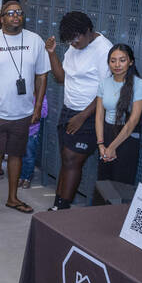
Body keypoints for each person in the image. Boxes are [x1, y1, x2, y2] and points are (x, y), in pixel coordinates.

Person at [0, 0, 48, 218]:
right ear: (1, 18)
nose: (16, 16)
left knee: (16, 156)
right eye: (10, 13)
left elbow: (42, 74)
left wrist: (38, 105)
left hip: (23, 113)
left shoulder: (35, 41)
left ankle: (13, 198)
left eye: (19, 12)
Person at [44, 11, 114, 210]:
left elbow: (106, 90)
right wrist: (51, 54)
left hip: (89, 114)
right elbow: (61, 78)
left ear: (88, 31)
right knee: (67, 159)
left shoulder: (103, 49)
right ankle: (58, 204)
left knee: (73, 159)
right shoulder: (73, 47)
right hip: (68, 109)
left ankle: (62, 207)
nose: (73, 44)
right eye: (70, 41)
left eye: (76, 39)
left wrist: (82, 117)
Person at [94, 44, 142, 185]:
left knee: (121, 184)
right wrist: (101, 144)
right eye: (113, 61)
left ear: (130, 62)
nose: (117, 64)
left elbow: (133, 121)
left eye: (122, 60)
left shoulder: (139, 84)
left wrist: (112, 147)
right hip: (106, 134)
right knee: (103, 183)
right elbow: (99, 116)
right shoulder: (104, 83)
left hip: (126, 138)